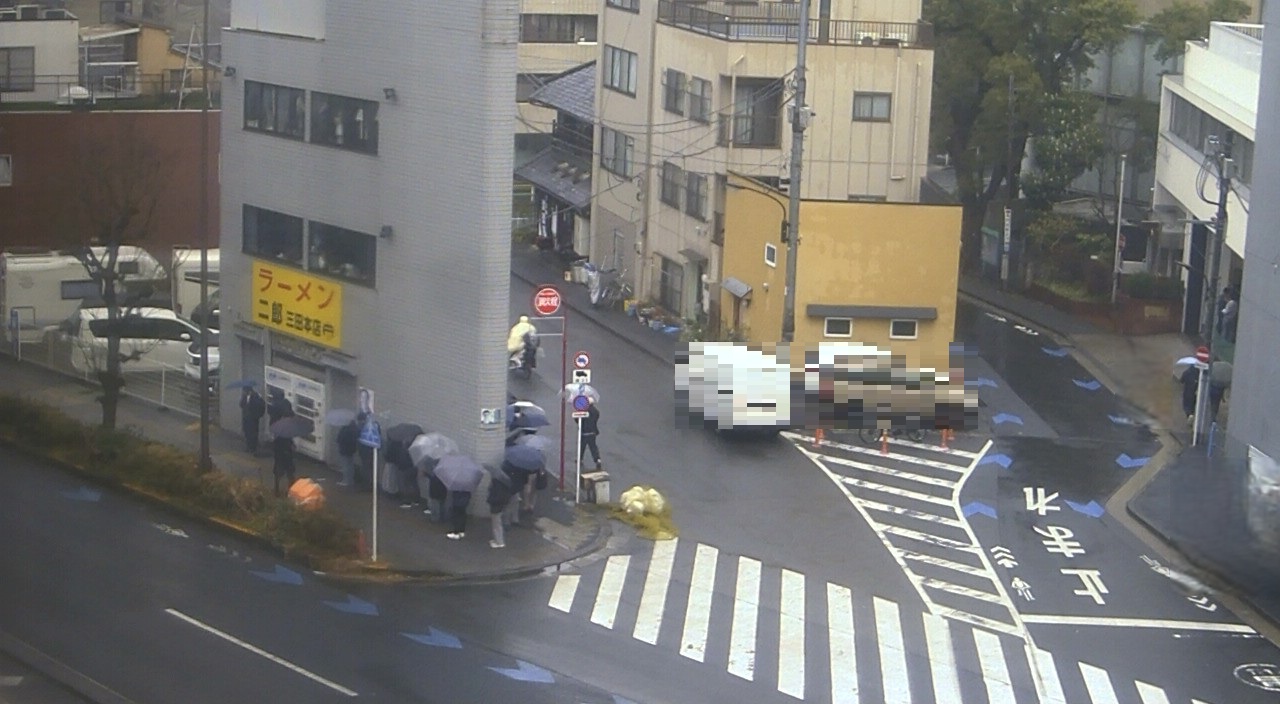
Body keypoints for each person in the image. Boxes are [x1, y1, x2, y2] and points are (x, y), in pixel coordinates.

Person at [487, 467, 519, 549]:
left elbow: (495, 497)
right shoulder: (504, 485)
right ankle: (497, 540)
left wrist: (490, 497)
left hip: (496, 507)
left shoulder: (497, 486)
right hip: (499, 506)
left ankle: (499, 542)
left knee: (496, 524)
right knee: (497, 523)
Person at [335, 415, 362, 488]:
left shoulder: (345, 429)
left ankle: (346, 481)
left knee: (345, 466)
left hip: (344, 450)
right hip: (351, 450)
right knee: (350, 465)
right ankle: (350, 480)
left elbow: (339, 439)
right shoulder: (355, 429)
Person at [239, 387, 266, 454]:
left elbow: (261, 405)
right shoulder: (245, 397)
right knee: (247, 432)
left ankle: (253, 447)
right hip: (246, 417)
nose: (243, 392)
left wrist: (257, 415)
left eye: (244, 391)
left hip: (253, 418)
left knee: (253, 433)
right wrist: (242, 398)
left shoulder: (256, 396)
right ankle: (248, 446)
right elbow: (241, 405)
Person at [578, 400, 602, 470]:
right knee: (593, 447)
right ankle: (597, 459)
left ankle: (580, 458)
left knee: (582, 446)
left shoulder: (583, 411)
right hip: (592, 432)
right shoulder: (596, 411)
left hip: (584, 432)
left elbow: (577, 419)